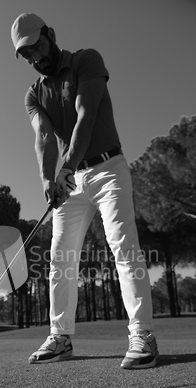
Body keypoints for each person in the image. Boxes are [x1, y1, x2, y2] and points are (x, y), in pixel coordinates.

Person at [11, 13, 160, 369]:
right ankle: (60, 337)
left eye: (37, 47)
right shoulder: (34, 93)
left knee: (123, 248)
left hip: (108, 169)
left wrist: (64, 168)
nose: (35, 58)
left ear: (50, 34)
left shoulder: (86, 60)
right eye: (26, 55)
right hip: (71, 182)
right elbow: (45, 138)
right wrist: (49, 181)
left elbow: (86, 115)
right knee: (60, 260)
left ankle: (143, 336)